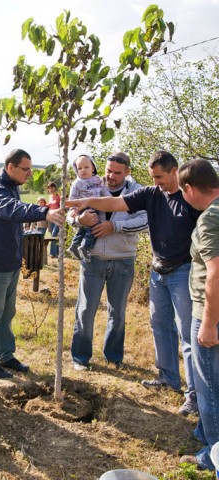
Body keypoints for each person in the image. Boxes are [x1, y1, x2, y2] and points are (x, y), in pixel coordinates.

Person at [66, 150, 200, 416]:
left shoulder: (188, 199)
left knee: (187, 333)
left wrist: (114, 228)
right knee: (160, 325)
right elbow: (112, 205)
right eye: (153, 177)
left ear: (175, 171)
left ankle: (194, 395)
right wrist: (75, 206)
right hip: (157, 270)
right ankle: (168, 377)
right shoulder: (150, 194)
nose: (157, 182)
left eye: (160, 177)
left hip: (181, 271)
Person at [0, 149, 65, 379]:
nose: (29, 174)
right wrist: (45, 211)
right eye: (25, 169)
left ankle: (5, 355)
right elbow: (13, 209)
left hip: (10, 260)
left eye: (31, 169)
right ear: (10, 167)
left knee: (7, 312)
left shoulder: (11, 187)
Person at [67, 152, 148, 371]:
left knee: (118, 311)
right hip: (92, 258)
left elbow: (144, 221)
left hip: (123, 260)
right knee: (85, 309)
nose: (110, 176)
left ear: (127, 172)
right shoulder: (91, 184)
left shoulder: (137, 191)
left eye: (117, 172)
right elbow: (70, 210)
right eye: (108, 170)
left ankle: (113, 357)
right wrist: (78, 220)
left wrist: (115, 227)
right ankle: (80, 358)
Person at [177, 159, 219, 471]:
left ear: (190, 188)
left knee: (209, 389)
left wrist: (207, 324)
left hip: (209, 314)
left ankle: (211, 454)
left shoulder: (209, 220)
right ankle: (205, 432)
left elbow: (215, 274)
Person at [67, 155, 111, 262]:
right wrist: (73, 210)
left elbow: (104, 191)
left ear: (93, 168)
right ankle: (85, 247)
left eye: (86, 167)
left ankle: (74, 245)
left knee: (83, 229)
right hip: (83, 209)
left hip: (96, 206)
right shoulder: (77, 183)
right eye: (80, 168)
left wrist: (110, 198)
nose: (83, 170)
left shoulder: (98, 180)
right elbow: (72, 198)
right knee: (93, 228)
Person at [46, 182, 60, 258]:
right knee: (53, 235)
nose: (50, 189)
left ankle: (52, 253)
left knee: (54, 234)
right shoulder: (50, 197)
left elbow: (62, 207)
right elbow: (50, 205)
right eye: (49, 188)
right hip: (51, 217)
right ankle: (57, 252)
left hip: (57, 217)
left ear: (55, 188)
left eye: (51, 187)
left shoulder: (59, 196)